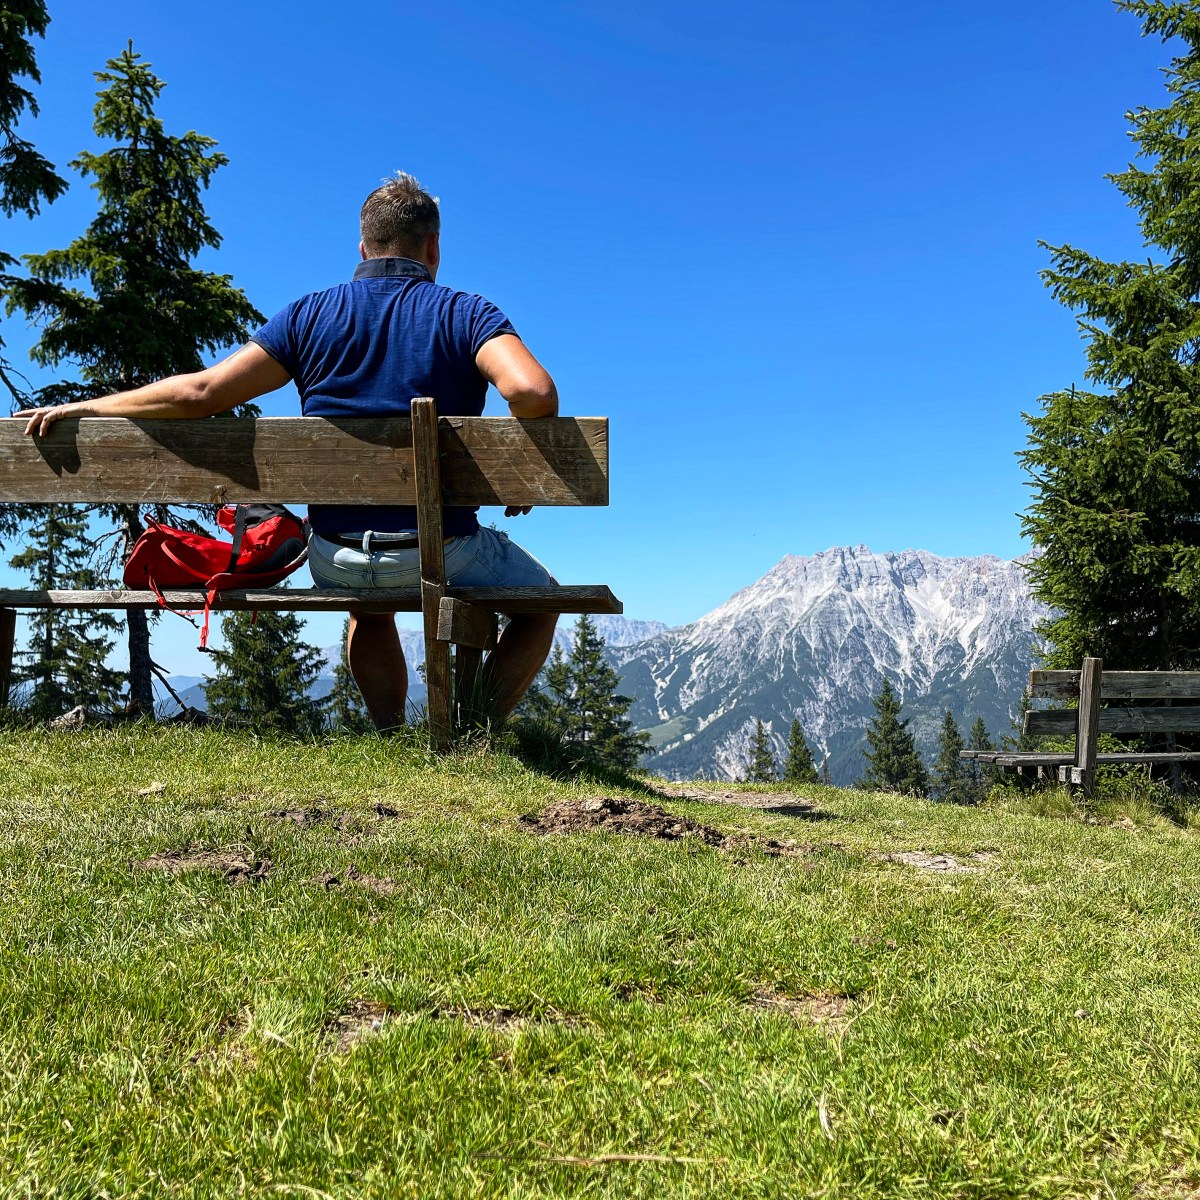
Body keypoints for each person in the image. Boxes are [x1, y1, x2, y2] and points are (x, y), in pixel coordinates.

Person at [21, 172, 559, 729]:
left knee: (367, 608)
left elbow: (201, 393)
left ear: (363, 247)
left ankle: (392, 735)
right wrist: (514, 468)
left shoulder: (308, 316)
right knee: (543, 602)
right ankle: (473, 731)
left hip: (335, 555)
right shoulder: (464, 313)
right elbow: (532, 392)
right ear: (433, 248)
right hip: (444, 550)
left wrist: (89, 407)